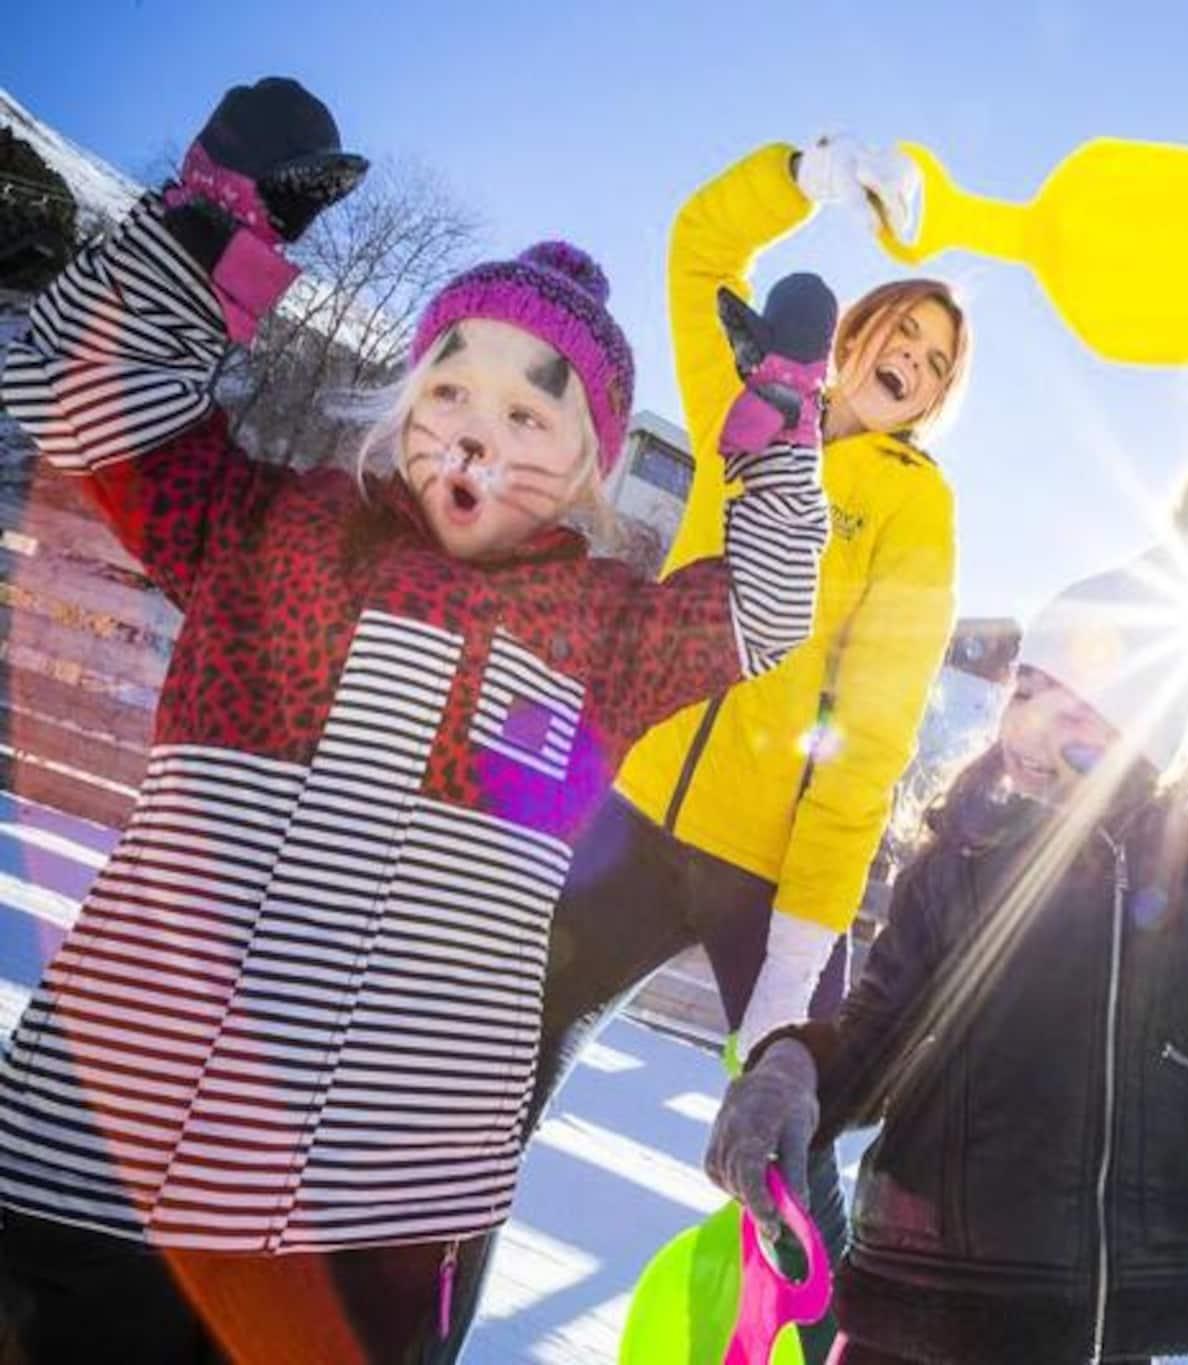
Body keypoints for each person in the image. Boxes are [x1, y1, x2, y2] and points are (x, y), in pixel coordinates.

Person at [0, 78, 830, 1363]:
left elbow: (766, 607)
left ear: (592, 466)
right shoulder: (268, 530)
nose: (476, 438)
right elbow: (79, 391)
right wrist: (209, 227)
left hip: (367, 1230)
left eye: (529, 413)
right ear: (402, 404)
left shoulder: (603, 632)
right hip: (99, 1161)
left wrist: (775, 425)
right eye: (450, 392)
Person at [462, 135, 973, 1360]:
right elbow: (701, 251)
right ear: (856, 333)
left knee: (790, 1159)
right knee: (480, 1099)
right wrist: (806, 174)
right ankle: (399, 1318)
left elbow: (875, 730)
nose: (911, 362)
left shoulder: (913, 504)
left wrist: (806, 937)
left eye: (936, 364)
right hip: (630, 818)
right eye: (903, 333)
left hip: (771, 870)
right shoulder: (747, 405)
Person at [703, 542, 1188, 1364]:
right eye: (1027, 690)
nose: (1034, 726)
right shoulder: (954, 866)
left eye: (1079, 712)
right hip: (918, 1307)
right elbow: (874, 1034)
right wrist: (795, 1067)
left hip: (1093, 1330)